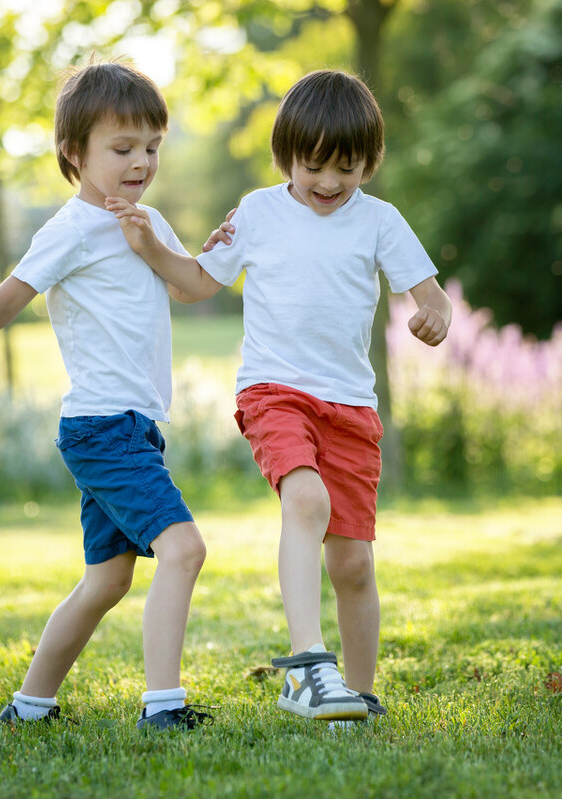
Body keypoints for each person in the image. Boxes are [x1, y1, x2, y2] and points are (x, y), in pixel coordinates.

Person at [107, 68, 452, 723]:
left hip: (351, 407)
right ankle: (306, 666)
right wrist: (150, 243)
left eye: (346, 168)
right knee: (306, 496)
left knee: (351, 562)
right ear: (285, 155)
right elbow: (195, 284)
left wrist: (434, 316)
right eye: (313, 164)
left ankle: (358, 691)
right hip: (274, 393)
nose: (327, 182)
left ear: (369, 163)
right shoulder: (259, 211)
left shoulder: (380, 221)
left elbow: (430, 295)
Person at [0, 60, 212, 732]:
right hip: (103, 428)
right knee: (183, 548)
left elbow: (193, 286)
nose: (141, 162)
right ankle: (163, 707)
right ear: (75, 152)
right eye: (122, 149)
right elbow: (2, 303)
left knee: (108, 580)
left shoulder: (146, 220)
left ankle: (30, 706)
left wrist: (159, 243)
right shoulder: (68, 230)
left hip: (136, 428)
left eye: (152, 147)